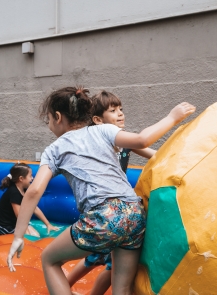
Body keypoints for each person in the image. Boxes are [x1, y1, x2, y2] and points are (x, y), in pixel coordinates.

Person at [7, 86, 195, 295]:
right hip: (134, 214)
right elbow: (142, 140)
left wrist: (18, 236)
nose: (50, 126)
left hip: (103, 216)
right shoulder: (104, 130)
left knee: (49, 259)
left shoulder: (54, 149)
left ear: (58, 117)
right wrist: (172, 117)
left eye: (49, 120)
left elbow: (33, 192)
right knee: (121, 287)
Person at [66, 90, 157, 295]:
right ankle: (64, 285)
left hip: (121, 212)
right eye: (113, 110)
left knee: (107, 262)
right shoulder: (100, 142)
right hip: (102, 210)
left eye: (121, 109)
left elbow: (155, 155)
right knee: (97, 257)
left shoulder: (124, 142)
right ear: (98, 120)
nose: (121, 114)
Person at [0, 162, 59, 236]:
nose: (32, 178)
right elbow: (19, 216)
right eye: (30, 176)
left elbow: (34, 208)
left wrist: (48, 224)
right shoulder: (14, 192)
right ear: (21, 178)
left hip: (13, 223)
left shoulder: (24, 189)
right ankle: (0, 235)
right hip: (3, 226)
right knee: (31, 236)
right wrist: (26, 234)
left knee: (36, 235)